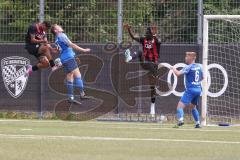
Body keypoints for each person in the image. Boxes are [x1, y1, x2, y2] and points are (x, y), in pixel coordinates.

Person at [124, 23, 161, 117]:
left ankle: (152, 107)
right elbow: (133, 37)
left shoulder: (156, 40)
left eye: (148, 32)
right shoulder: (143, 40)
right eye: (146, 32)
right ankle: (130, 57)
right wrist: (129, 29)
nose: (146, 34)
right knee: (140, 51)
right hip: (145, 63)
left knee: (152, 88)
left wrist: (156, 35)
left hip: (153, 66)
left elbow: (159, 40)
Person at [51, 24, 91, 103]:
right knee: (78, 76)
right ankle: (82, 94)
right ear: (55, 30)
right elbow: (71, 44)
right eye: (58, 26)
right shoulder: (62, 35)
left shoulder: (56, 39)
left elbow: (59, 50)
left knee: (70, 78)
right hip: (69, 58)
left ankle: (71, 98)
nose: (60, 26)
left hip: (64, 59)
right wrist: (84, 50)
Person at [171, 52, 203, 128]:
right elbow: (203, 77)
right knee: (193, 107)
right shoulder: (199, 67)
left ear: (191, 58)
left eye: (187, 56)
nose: (185, 58)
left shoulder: (188, 67)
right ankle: (197, 123)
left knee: (179, 106)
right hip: (198, 89)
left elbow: (178, 74)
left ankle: (180, 121)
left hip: (191, 90)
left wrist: (173, 69)